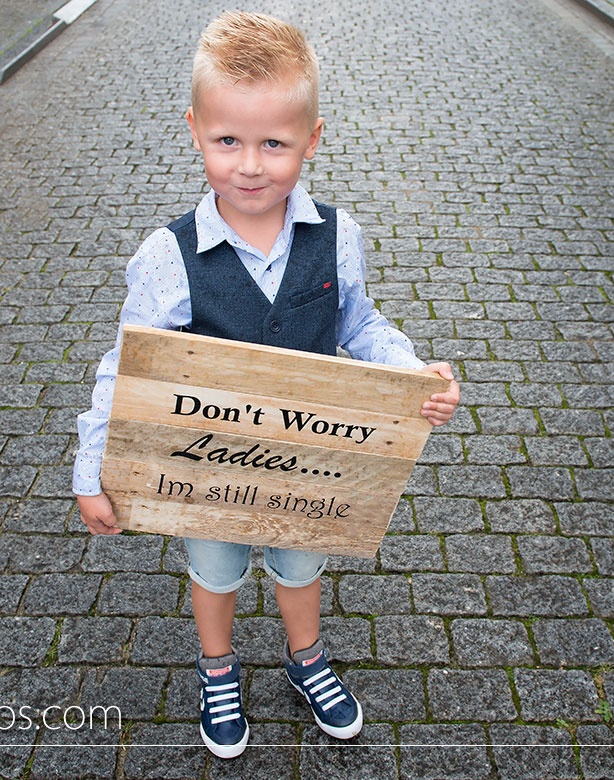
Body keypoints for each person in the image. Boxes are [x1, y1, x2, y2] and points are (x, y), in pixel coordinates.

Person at [72, 11, 460, 760]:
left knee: (300, 562)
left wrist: (412, 373)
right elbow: (125, 366)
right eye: (228, 141)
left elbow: (360, 321)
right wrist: (94, 468)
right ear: (195, 130)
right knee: (214, 572)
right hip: (207, 466)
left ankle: (305, 655)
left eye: (274, 144)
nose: (250, 165)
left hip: (308, 465)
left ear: (311, 140)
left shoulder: (336, 235)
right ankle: (218, 666)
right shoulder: (168, 255)